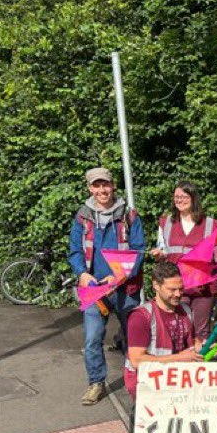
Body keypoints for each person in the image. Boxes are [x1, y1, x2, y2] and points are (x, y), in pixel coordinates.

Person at [68, 167, 145, 406]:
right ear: (90, 188)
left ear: (113, 186)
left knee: (134, 338)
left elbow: (138, 250)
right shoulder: (82, 217)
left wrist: (118, 276)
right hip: (94, 290)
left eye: (106, 185)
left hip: (124, 288)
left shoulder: (129, 216)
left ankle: (140, 380)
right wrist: (81, 273)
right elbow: (75, 251)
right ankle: (96, 383)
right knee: (92, 339)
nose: (102, 190)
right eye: (96, 185)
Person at [123, 261, 202, 400]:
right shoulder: (141, 317)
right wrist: (179, 358)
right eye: (172, 289)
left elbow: (190, 344)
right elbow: (136, 360)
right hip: (147, 385)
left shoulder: (187, 310)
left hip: (176, 381)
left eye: (181, 288)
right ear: (156, 286)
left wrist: (201, 346)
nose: (178, 294)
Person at [149, 180, 217, 337]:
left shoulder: (211, 224)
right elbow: (163, 250)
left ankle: (200, 361)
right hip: (176, 286)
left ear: (194, 198)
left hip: (203, 288)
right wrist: (160, 255)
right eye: (176, 197)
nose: (180, 200)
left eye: (184, 196)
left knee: (201, 333)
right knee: (178, 331)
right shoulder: (166, 222)